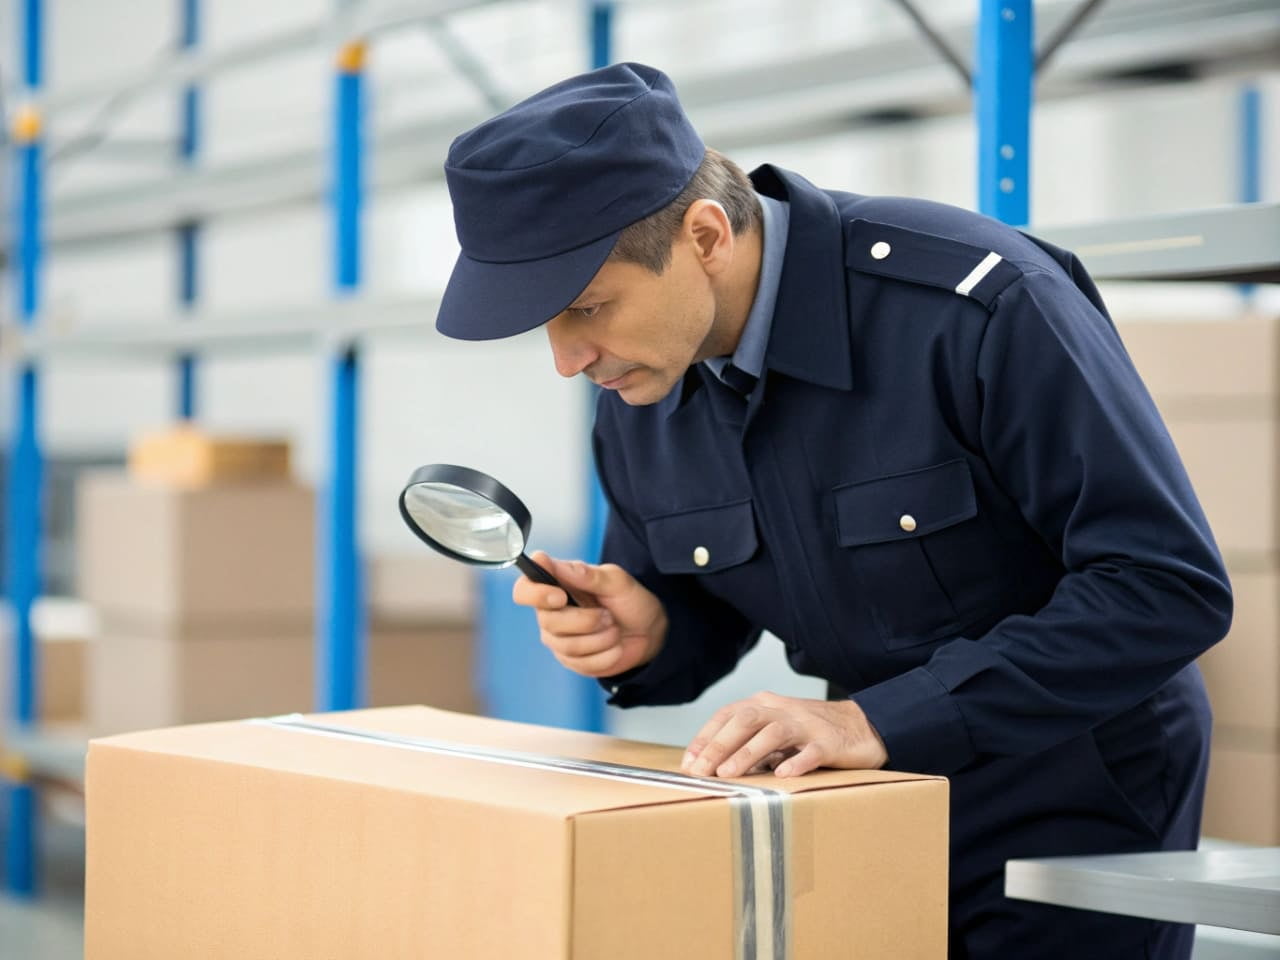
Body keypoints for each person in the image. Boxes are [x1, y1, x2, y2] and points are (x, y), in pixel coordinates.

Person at [435, 61, 1231, 959]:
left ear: (703, 236)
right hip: (863, 795)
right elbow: (697, 608)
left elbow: (1163, 586)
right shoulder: (643, 385)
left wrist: (870, 720)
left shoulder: (975, 305)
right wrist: (651, 632)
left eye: (587, 307)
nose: (568, 359)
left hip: (1073, 789)